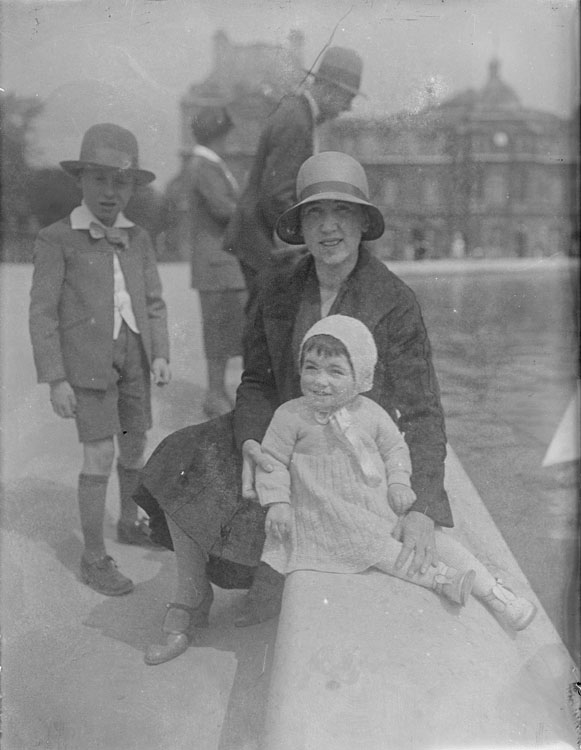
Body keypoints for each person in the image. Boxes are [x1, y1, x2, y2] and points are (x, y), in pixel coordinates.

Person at [136, 151, 458, 664]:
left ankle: (271, 578)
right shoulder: (277, 283)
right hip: (284, 430)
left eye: (342, 212)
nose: (329, 227)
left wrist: (422, 508)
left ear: (362, 222)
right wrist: (251, 442)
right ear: (301, 225)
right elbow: (259, 380)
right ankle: (191, 599)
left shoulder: (393, 300)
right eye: (314, 213)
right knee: (186, 453)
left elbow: (422, 413)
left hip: (346, 455)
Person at [257, 314, 537, 629]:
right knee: (373, 546)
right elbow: (272, 461)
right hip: (325, 516)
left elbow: (395, 449)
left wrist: (399, 482)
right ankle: (438, 578)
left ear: (360, 377)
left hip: (372, 504)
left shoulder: (370, 413)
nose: (320, 381)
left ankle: (495, 593)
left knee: (430, 538)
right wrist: (277, 502)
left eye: (335, 371)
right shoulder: (291, 416)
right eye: (311, 368)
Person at [29, 123, 171, 596]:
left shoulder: (140, 239)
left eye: (121, 182)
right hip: (87, 365)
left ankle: (129, 521)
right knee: (100, 454)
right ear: (81, 181)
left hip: (135, 358)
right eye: (100, 180)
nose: (111, 193)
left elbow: (153, 302)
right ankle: (93, 557)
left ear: (133, 186)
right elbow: (43, 312)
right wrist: (55, 379)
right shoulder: (57, 239)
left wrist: (161, 354)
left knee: (134, 444)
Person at [223, 46, 363, 314]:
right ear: (329, 89)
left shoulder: (296, 113)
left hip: (258, 240)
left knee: (266, 332)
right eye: (348, 97)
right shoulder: (297, 121)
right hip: (263, 244)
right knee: (274, 333)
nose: (348, 107)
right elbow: (278, 195)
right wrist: (310, 244)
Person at [182, 104, 246, 418]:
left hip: (220, 265)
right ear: (219, 134)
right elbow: (223, 209)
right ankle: (215, 395)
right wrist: (253, 211)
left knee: (224, 331)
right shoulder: (204, 166)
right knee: (220, 332)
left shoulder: (206, 164)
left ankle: (219, 393)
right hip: (218, 264)